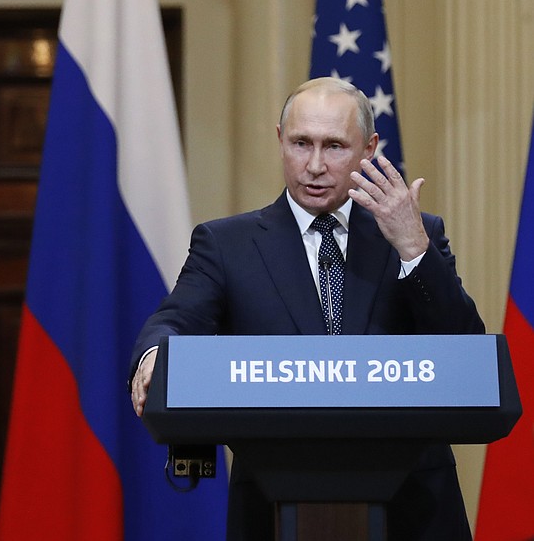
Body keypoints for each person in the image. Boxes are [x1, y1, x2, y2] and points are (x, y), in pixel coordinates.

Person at [129, 76, 484, 541]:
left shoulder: (415, 233)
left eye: (334, 146)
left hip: (413, 507)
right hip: (275, 507)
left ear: (369, 148)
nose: (314, 165)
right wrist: (156, 353)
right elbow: (175, 319)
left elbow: (465, 349)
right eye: (301, 143)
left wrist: (414, 249)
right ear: (280, 141)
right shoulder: (227, 244)